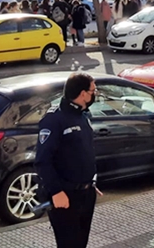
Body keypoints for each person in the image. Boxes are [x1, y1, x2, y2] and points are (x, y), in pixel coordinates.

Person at [35, 72, 99, 248]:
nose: (95, 94)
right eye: (93, 90)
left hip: (86, 194)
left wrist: (90, 180)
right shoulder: (55, 120)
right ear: (83, 93)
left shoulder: (83, 116)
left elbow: (81, 152)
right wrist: (56, 192)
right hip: (65, 196)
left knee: (80, 244)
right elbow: (42, 161)